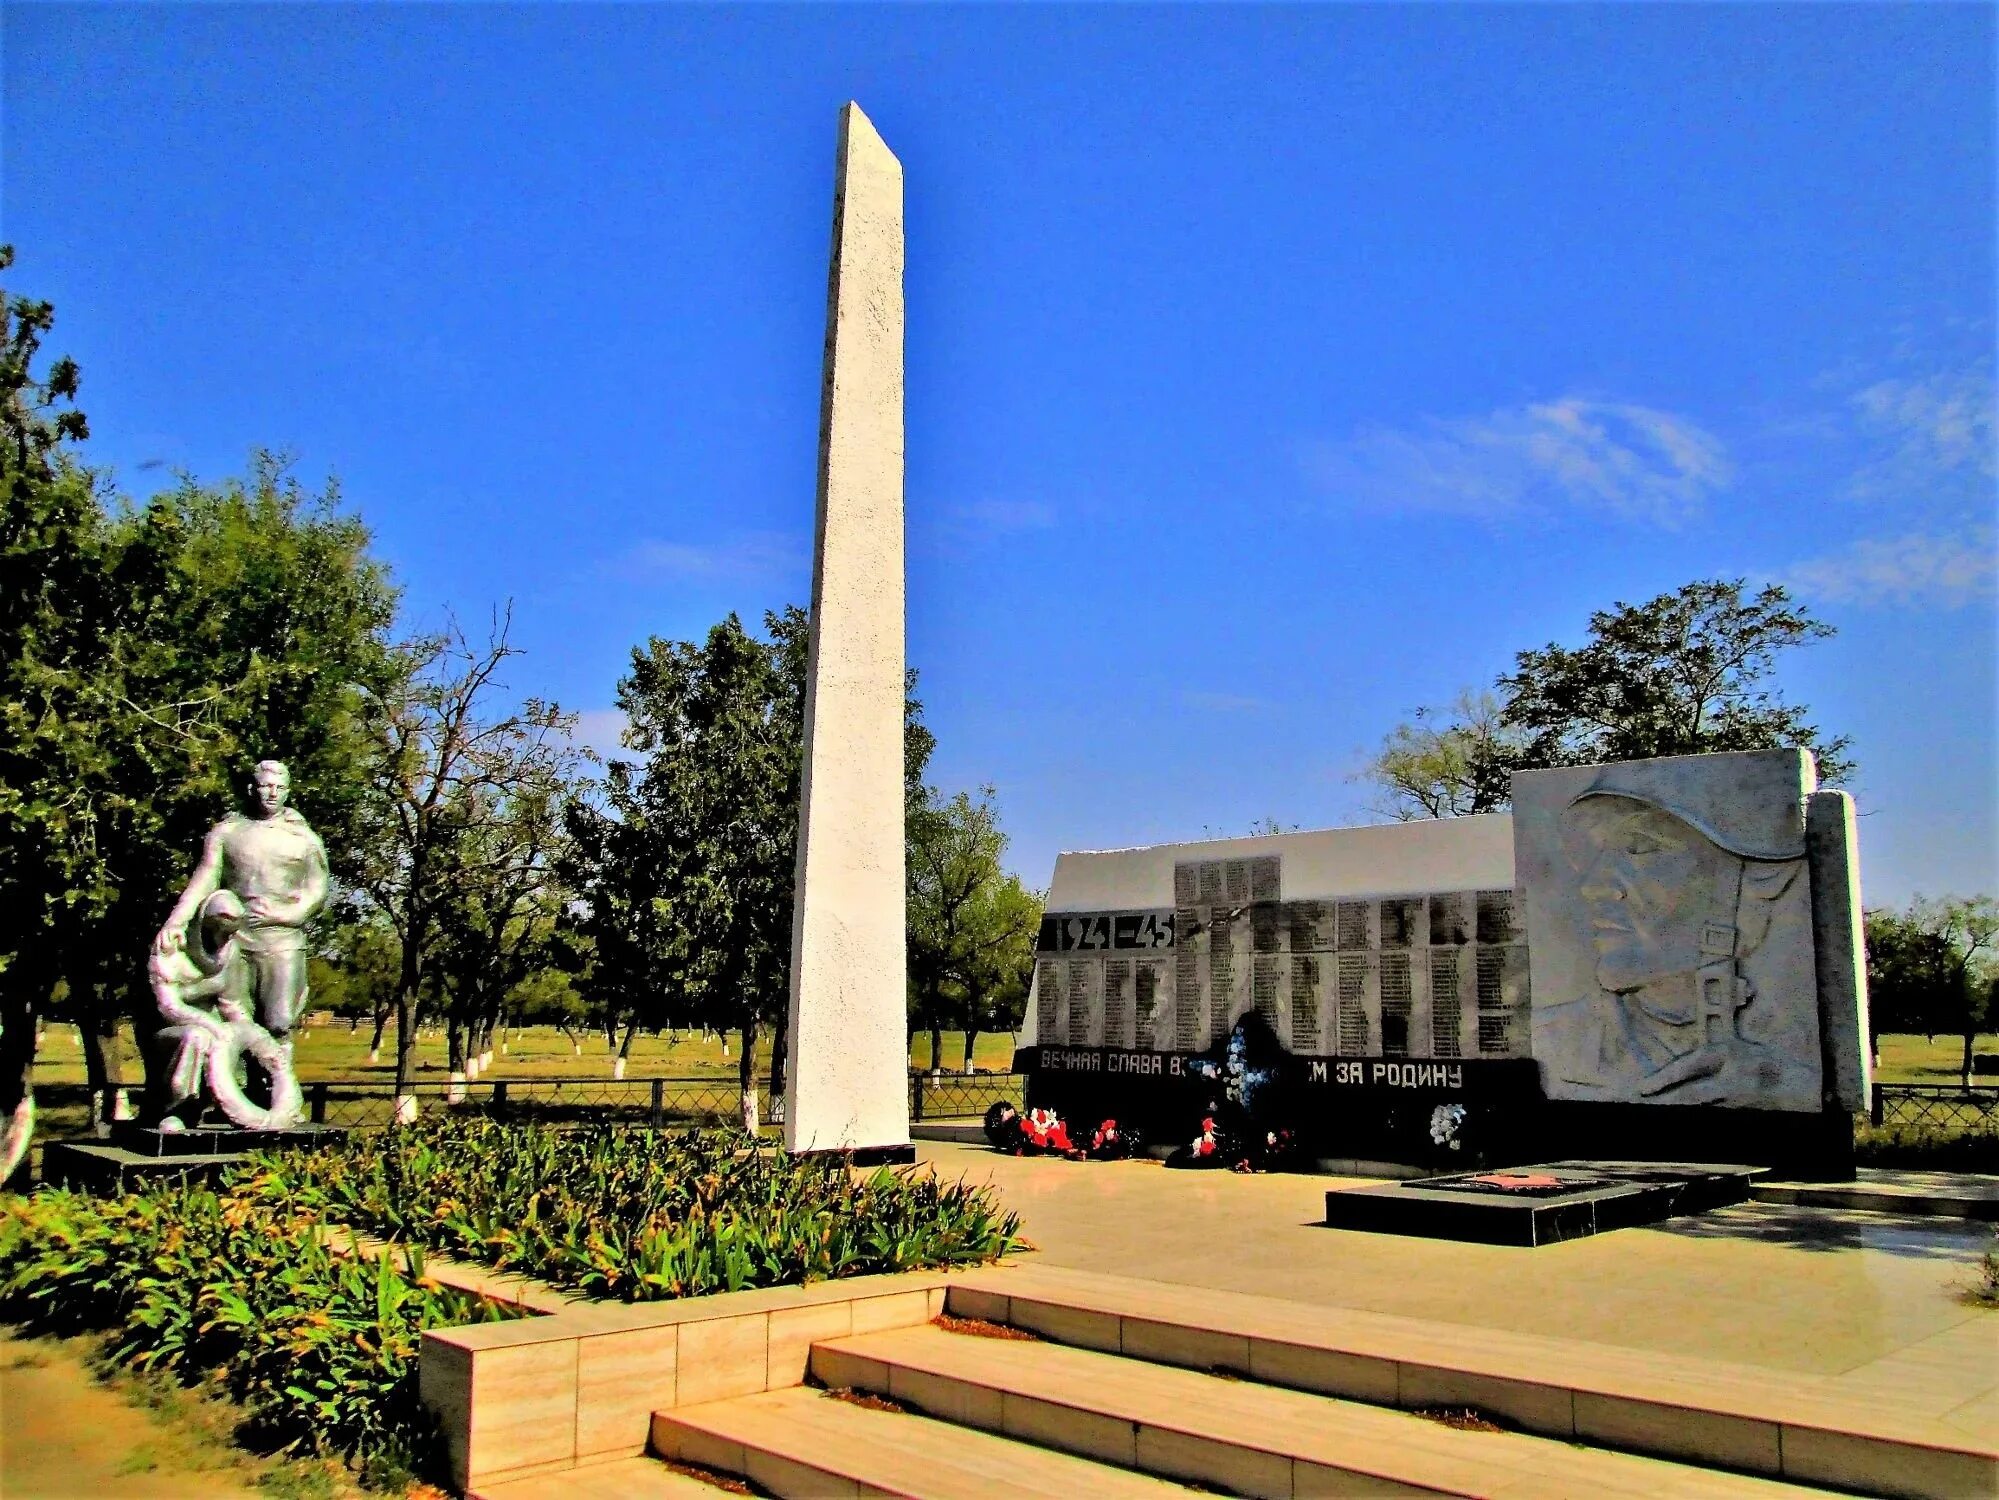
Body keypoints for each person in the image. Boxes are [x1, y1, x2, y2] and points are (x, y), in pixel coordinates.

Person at [1543, 771, 1809, 1105]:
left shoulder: (1793, 1043)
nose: (1592, 885)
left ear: (1745, 883)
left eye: (1640, 847)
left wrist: (1787, 1086)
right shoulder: (1556, 1041)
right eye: (1595, 855)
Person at [153, 760, 329, 1050]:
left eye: (280, 788)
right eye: (266, 786)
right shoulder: (227, 833)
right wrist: (177, 921)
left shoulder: (304, 839)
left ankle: (278, 1086)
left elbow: (317, 889)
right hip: (234, 941)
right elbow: (205, 879)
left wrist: (287, 914)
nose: (273, 793)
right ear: (252, 789)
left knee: (279, 1022)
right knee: (234, 1020)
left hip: (281, 941)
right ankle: (236, 1088)